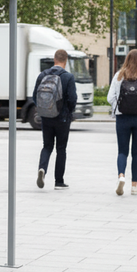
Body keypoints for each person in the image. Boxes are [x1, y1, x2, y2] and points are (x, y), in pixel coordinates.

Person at [107, 48, 137, 196]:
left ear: (127, 60)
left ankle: (121, 176)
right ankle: (134, 187)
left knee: (122, 151)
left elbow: (110, 98)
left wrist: (118, 107)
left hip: (122, 117)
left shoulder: (118, 76)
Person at [34, 48, 78, 190]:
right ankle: (59, 182)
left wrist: (43, 110)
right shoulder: (68, 77)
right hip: (62, 118)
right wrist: (69, 113)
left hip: (46, 117)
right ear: (65, 61)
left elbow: (35, 96)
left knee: (47, 146)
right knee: (61, 149)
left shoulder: (43, 75)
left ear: (54, 59)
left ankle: (42, 169)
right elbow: (72, 99)